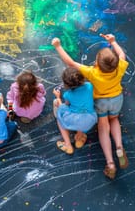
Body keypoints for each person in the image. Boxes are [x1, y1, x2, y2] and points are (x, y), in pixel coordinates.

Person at [51, 34, 129, 179]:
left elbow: (70, 63)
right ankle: (119, 146)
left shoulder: (93, 72)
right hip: (117, 99)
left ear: (97, 64)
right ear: (116, 62)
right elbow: (122, 54)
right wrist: (113, 42)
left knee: (103, 128)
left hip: (101, 103)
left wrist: (58, 46)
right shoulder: (120, 67)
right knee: (115, 120)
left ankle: (110, 162)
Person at [53, 67, 97, 155]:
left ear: (67, 84)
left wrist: (58, 97)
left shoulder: (68, 95)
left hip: (75, 119)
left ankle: (68, 145)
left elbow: (66, 105)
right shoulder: (89, 86)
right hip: (90, 120)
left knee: (60, 116)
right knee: (82, 112)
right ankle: (79, 138)